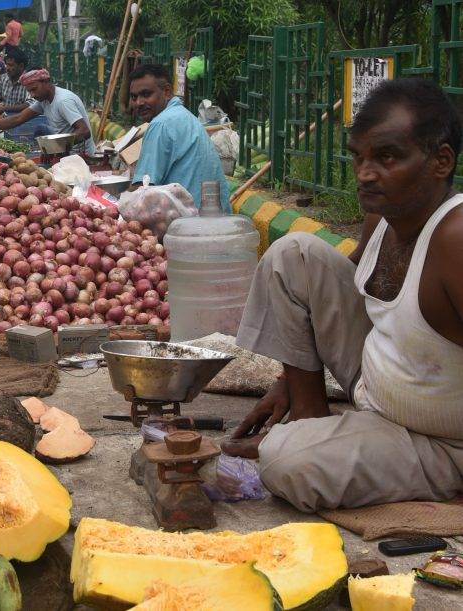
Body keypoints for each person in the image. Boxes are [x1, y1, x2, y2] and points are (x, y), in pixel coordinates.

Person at [221, 78, 463, 512]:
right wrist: (288, 381)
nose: (366, 173)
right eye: (359, 157)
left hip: (440, 441)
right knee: (292, 253)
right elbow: (330, 300)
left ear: (440, 161)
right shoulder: (382, 218)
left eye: (387, 157)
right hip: (375, 388)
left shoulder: (455, 239)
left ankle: (321, 444)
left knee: (284, 460)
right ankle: (312, 420)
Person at [127, 64, 231, 209]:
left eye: (146, 94)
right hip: (214, 219)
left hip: (188, 224)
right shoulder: (183, 115)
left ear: (167, 91)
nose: (139, 102)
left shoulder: (160, 124)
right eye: (134, 97)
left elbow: (142, 190)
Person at [0, 68, 95, 155]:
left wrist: (54, 145)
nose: (32, 95)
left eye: (34, 89)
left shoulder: (63, 101)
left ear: (46, 82)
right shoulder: (44, 100)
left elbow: (84, 131)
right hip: (65, 153)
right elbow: (18, 119)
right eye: (29, 91)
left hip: (80, 156)